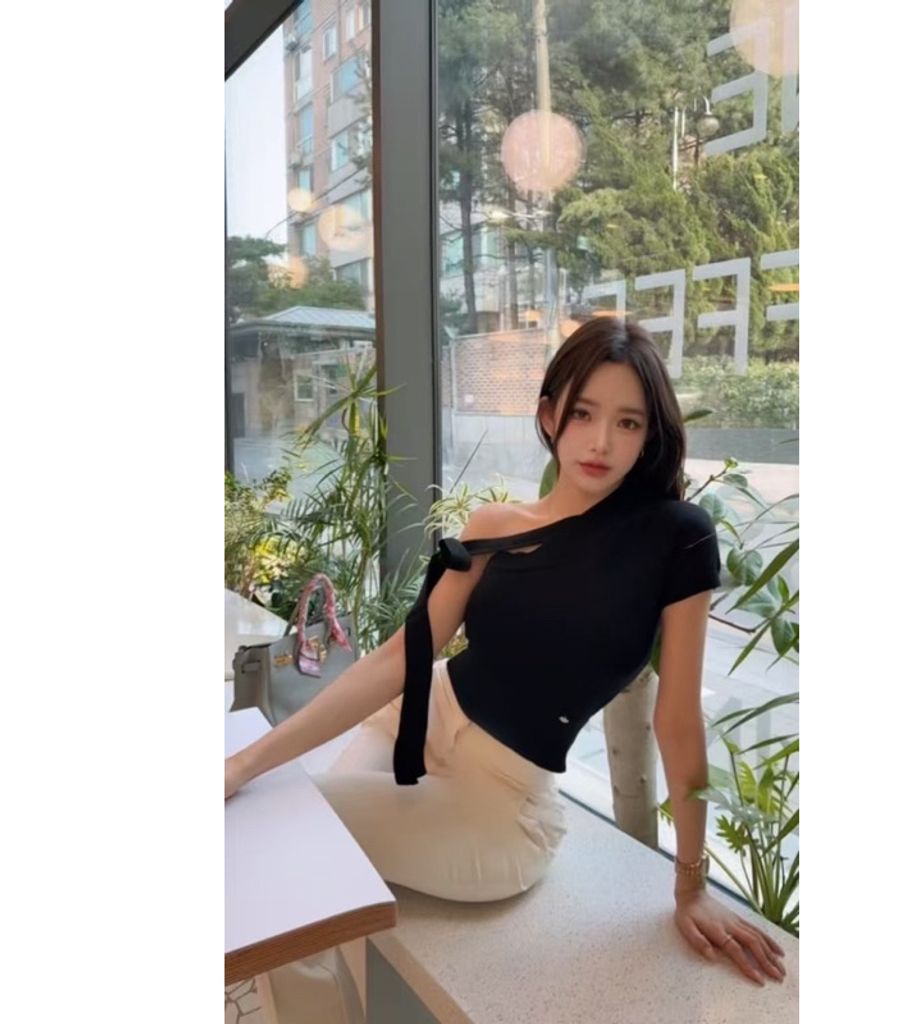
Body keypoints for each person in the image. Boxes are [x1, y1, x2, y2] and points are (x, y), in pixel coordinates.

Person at [225, 318, 786, 1021]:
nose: (601, 442)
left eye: (627, 422)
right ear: (549, 415)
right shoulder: (494, 525)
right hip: (420, 715)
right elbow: (402, 658)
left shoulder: (677, 537)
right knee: (285, 847)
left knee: (288, 845)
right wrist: (241, 764)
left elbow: (676, 718)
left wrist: (690, 885)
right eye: (583, 414)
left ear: (650, 436)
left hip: (498, 805)